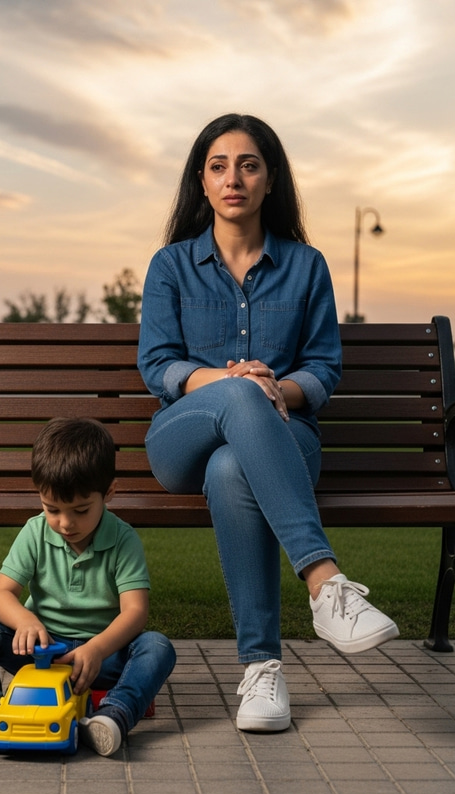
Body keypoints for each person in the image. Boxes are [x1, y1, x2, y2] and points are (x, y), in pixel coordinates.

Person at [137, 113, 398, 733]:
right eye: (219, 166)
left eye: (249, 165)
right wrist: (235, 384)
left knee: (235, 467)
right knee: (237, 401)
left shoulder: (306, 266)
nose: (235, 178)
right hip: (182, 439)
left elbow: (322, 370)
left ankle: (262, 675)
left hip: (285, 439)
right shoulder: (170, 266)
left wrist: (272, 388)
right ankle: (323, 581)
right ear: (201, 182)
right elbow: (158, 365)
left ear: (271, 179)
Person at [0, 416, 176, 757]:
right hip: (40, 651)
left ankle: (113, 715)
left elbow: (135, 611)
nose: (65, 523)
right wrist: (26, 622)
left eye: (80, 510)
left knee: (157, 646)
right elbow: (0, 594)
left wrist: (97, 649)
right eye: (52, 509)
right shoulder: (35, 532)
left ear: (109, 493)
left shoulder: (123, 540)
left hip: (99, 657)